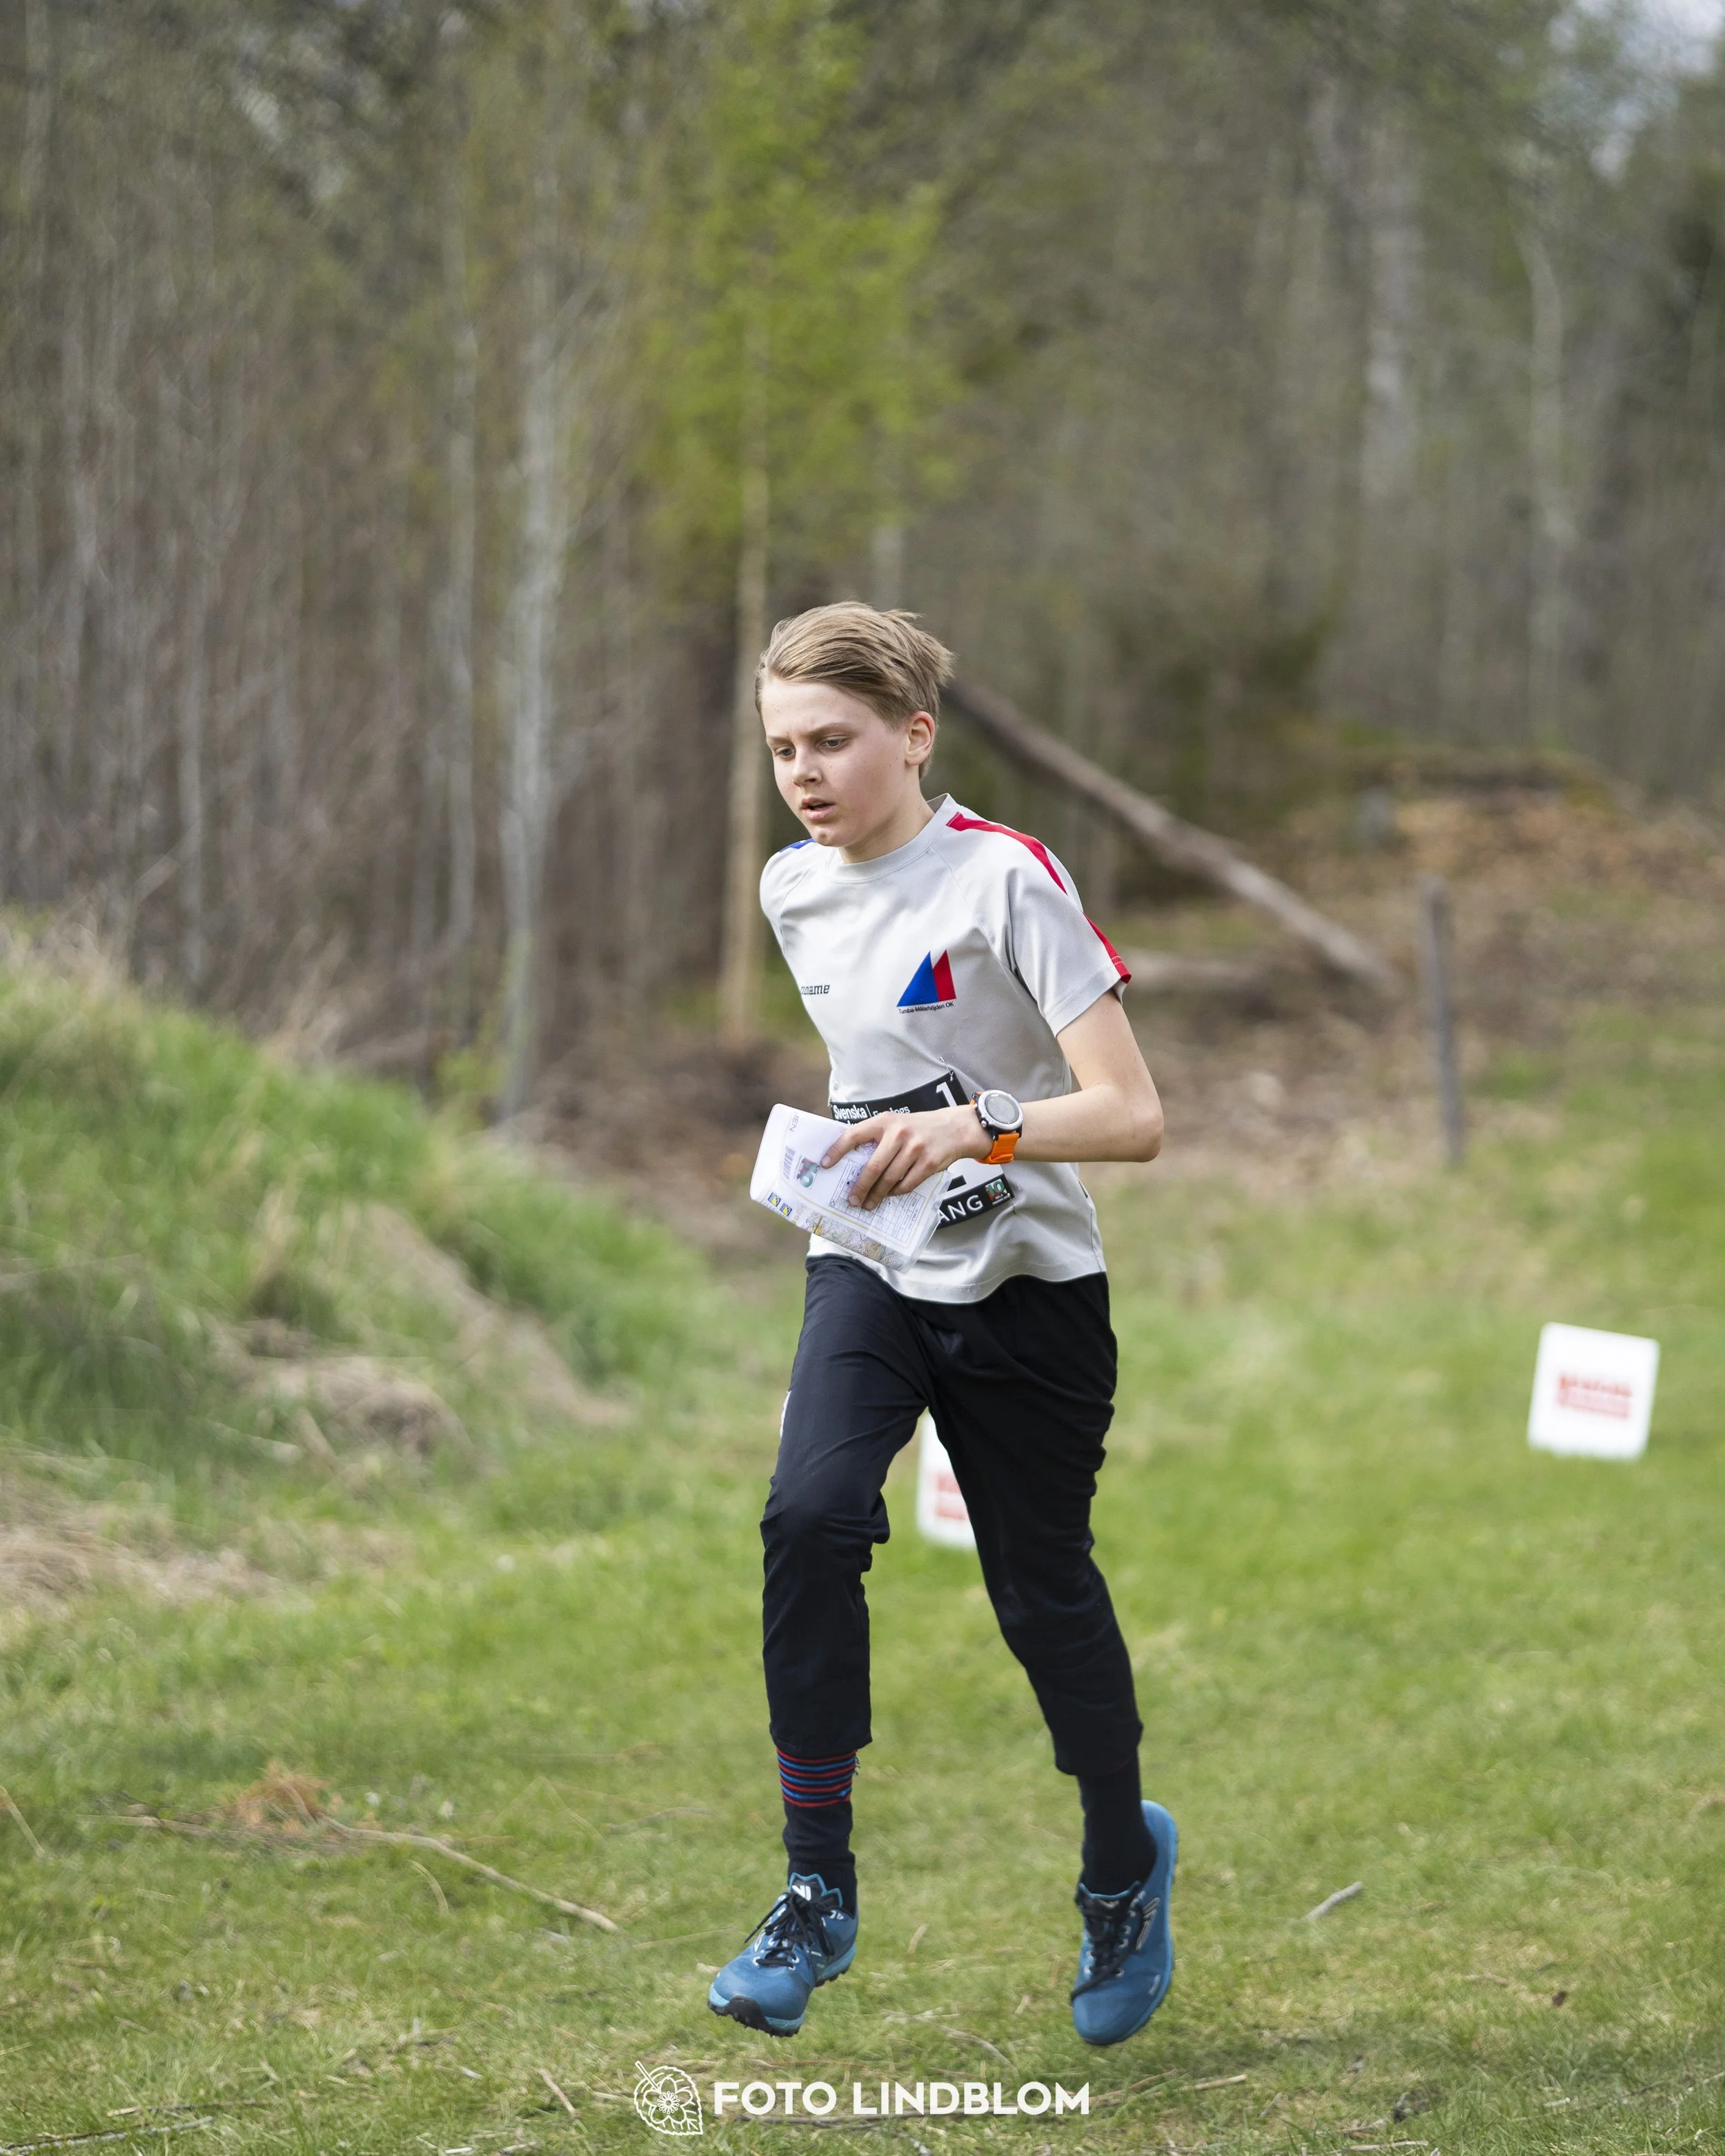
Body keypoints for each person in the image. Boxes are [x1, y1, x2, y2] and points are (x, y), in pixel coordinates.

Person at [707, 602, 1174, 2048]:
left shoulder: (1005, 877)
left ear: (911, 736)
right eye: (783, 745)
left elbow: (1134, 1115)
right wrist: (855, 1151)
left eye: (832, 739)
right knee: (807, 1514)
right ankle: (813, 1888)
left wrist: (975, 1127)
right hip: (870, 1268)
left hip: (1029, 1282)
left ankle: (1117, 1858)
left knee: (1038, 1589)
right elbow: (874, 1068)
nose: (804, 771)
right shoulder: (790, 889)